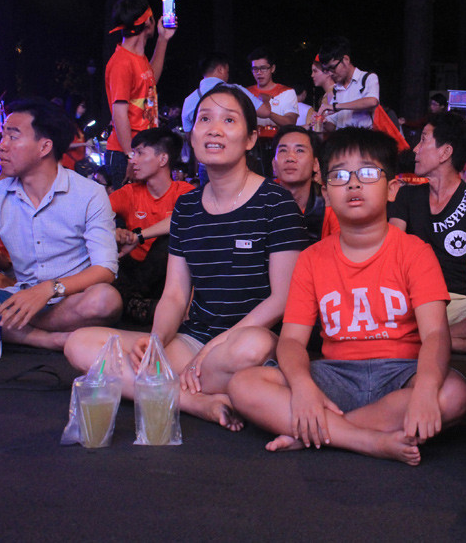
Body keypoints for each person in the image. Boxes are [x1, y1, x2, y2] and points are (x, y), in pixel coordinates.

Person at [64, 84, 307, 429]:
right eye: (204, 119)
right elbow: (176, 294)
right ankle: (191, 401)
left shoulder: (276, 203)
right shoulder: (187, 207)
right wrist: (157, 342)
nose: (214, 129)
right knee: (80, 344)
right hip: (193, 338)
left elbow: (282, 299)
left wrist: (216, 347)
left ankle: (168, 386)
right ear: (192, 136)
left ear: (251, 139)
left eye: (229, 120)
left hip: (248, 339)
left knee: (249, 347)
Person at [226, 127, 466, 464]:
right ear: (325, 192)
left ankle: (318, 433)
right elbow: (293, 341)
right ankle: (366, 440)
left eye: (368, 173)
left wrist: (426, 391)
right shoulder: (312, 259)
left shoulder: (416, 252)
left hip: (401, 374)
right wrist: (303, 387)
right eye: (340, 176)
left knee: (453, 393)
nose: (354, 183)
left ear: (392, 188)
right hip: (334, 375)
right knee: (244, 385)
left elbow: (436, 335)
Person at [0, 100, 121, 350]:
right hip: (18, 297)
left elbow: (105, 269)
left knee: (106, 300)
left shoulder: (90, 194)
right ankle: (52, 339)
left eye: (12, 136)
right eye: (2, 136)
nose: (1, 145)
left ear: (44, 147)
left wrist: (47, 290)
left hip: (69, 299)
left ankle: (4, 329)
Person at [389, 112, 466, 355]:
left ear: (445, 153)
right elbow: (392, 250)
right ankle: (435, 341)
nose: (415, 149)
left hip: (462, 305)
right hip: (414, 301)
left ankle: (422, 342)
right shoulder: (407, 196)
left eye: (424, 139)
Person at [109, 128, 194, 324]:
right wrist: (114, 233)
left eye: (140, 153)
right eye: (133, 154)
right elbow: (91, 218)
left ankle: (137, 307)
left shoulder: (185, 192)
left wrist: (138, 236)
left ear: (162, 159)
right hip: (133, 274)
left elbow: (182, 220)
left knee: (173, 239)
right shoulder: (129, 192)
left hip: (168, 279)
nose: (133, 160)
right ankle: (145, 308)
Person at [104, 0, 176, 189]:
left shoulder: (138, 57)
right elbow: (119, 114)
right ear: (147, 22)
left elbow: (151, 82)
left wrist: (163, 39)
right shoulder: (121, 63)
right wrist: (131, 156)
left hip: (139, 150)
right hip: (125, 153)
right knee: (128, 217)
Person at [272, 125, 327, 242]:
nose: (290, 158)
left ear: (315, 164)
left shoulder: (330, 203)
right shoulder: (258, 201)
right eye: (283, 150)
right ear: (273, 165)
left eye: (299, 150)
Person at [318, 36, 380, 130]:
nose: (330, 73)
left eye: (333, 68)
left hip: (363, 140)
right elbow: (333, 125)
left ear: (346, 60)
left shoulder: (367, 78)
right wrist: (323, 121)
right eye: (327, 70)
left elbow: (372, 101)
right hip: (342, 141)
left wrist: (335, 106)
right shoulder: (335, 89)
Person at [246, 47, 300, 129]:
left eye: (263, 68)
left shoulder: (287, 92)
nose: (259, 73)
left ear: (272, 68)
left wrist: (268, 113)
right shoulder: (246, 93)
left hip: (278, 141)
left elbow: (291, 123)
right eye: (255, 69)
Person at [181, 53, 231, 134]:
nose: (227, 76)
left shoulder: (188, 100)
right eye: (227, 72)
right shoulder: (235, 92)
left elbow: (188, 133)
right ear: (221, 69)